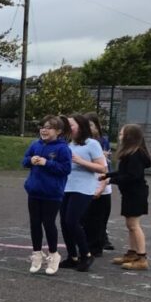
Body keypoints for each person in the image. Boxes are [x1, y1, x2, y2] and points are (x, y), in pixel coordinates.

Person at [22, 115, 72, 275]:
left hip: (52, 193)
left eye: (49, 128)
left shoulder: (63, 148)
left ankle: (53, 254)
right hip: (34, 191)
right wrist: (31, 160)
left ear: (58, 131)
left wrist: (47, 163)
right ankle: (37, 254)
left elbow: (66, 169)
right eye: (42, 127)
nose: (44, 130)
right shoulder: (35, 144)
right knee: (34, 223)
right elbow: (24, 161)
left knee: (48, 223)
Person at [58, 114, 108, 272]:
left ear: (81, 127)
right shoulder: (67, 144)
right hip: (66, 187)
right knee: (64, 223)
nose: (68, 128)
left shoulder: (91, 144)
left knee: (72, 221)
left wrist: (80, 161)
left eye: (71, 125)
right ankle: (72, 256)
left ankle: (86, 254)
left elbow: (102, 168)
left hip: (83, 188)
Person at [100, 123, 151, 271]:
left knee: (134, 225)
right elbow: (124, 172)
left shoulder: (135, 155)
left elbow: (132, 176)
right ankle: (132, 253)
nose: (120, 136)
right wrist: (107, 175)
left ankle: (142, 258)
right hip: (130, 193)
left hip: (136, 194)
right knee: (130, 225)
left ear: (130, 137)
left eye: (122, 134)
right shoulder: (131, 153)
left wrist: (111, 180)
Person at [81, 112, 113, 255]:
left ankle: (101, 239)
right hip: (87, 182)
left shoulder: (101, 141)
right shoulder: (82, 142)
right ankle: (90, 241)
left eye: (91, 125)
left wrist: (104, 183)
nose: (89, 128)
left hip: (101, 180)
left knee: (100, 215)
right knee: (87, 215)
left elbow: (105, 166)